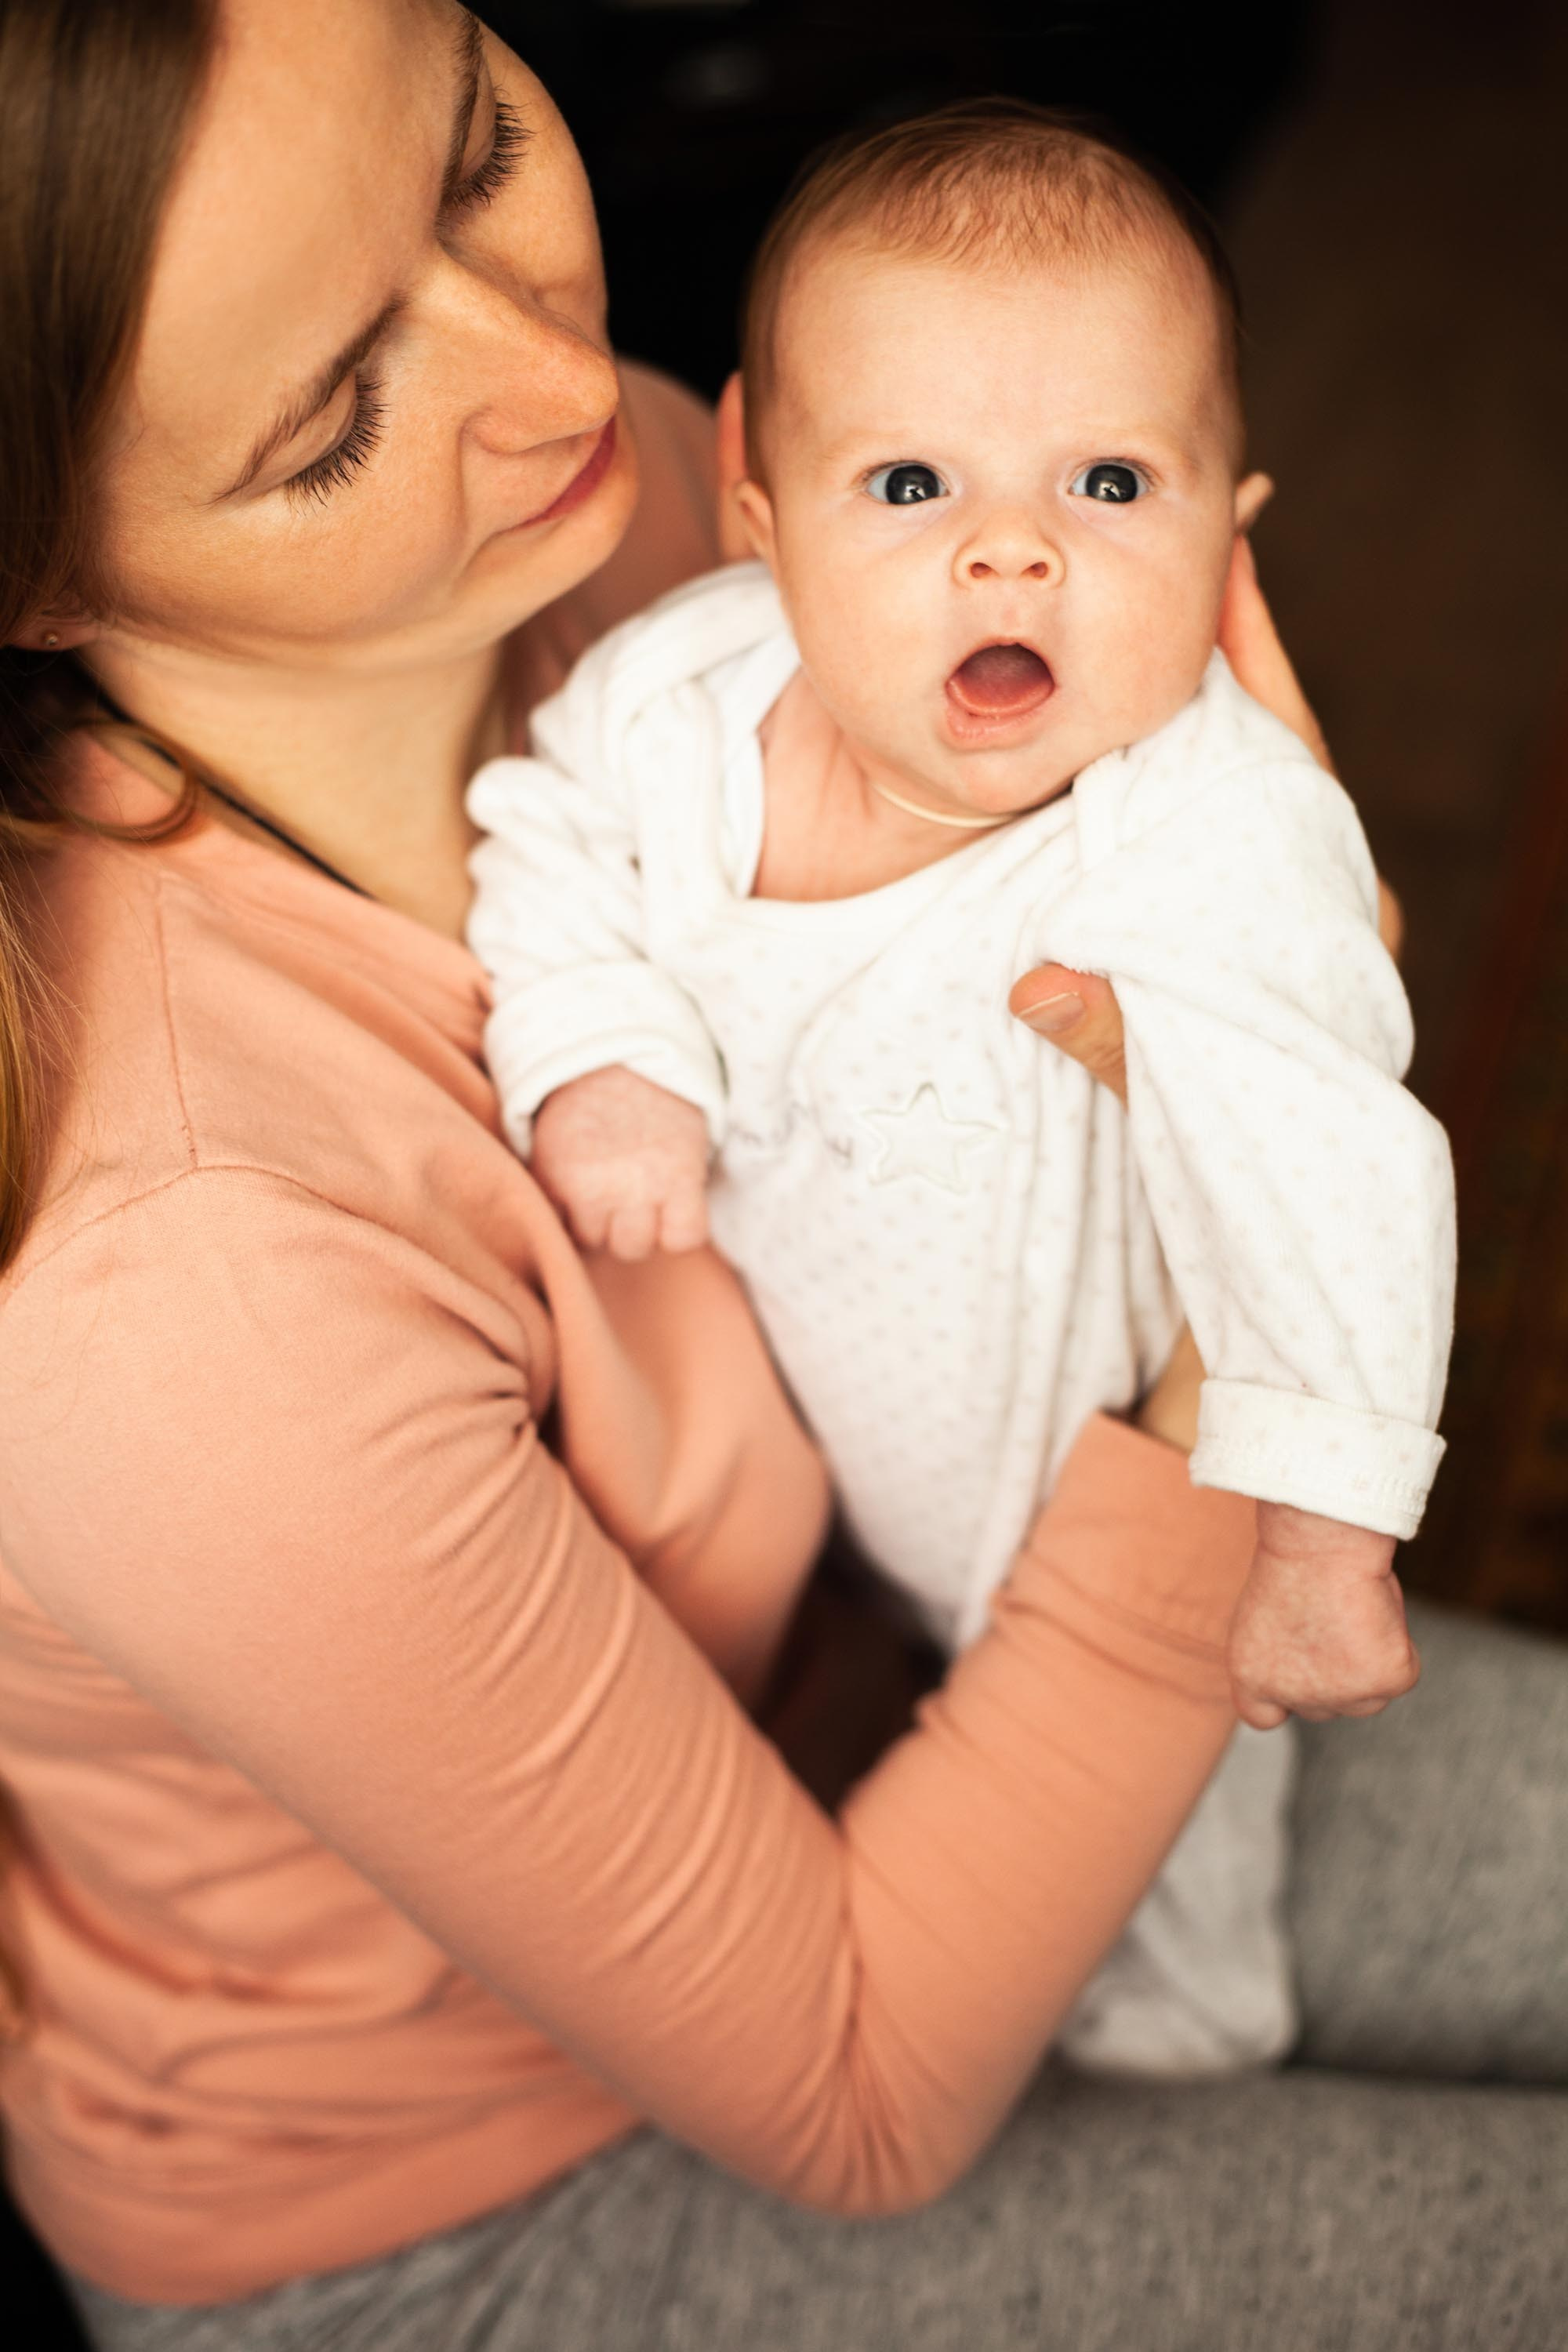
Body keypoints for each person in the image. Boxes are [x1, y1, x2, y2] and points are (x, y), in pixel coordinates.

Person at [0, 9, 1563, 2352]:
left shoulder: (636, 514)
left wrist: (1236, 911)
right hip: (485, 2188)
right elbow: (852, 2090)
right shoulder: (182, 1292)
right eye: (330, 421)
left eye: (477, 153)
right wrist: (1251, 1285)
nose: (550, 381)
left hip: (913, 1642)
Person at [463, 101, 1451, 2078]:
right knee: (943, 1702)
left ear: (1227, 524)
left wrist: (1321, 1540)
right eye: (908, 481)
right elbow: (542, 837)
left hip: (1110, 1473)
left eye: (1109, 482)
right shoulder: (675, 704)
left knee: (1185, 1799)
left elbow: (1339, 1159)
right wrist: (606, 1057)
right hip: (865, 1468)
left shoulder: (1199, 820)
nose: (1012, 550)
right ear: (759, 499)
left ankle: (1194, 2041)